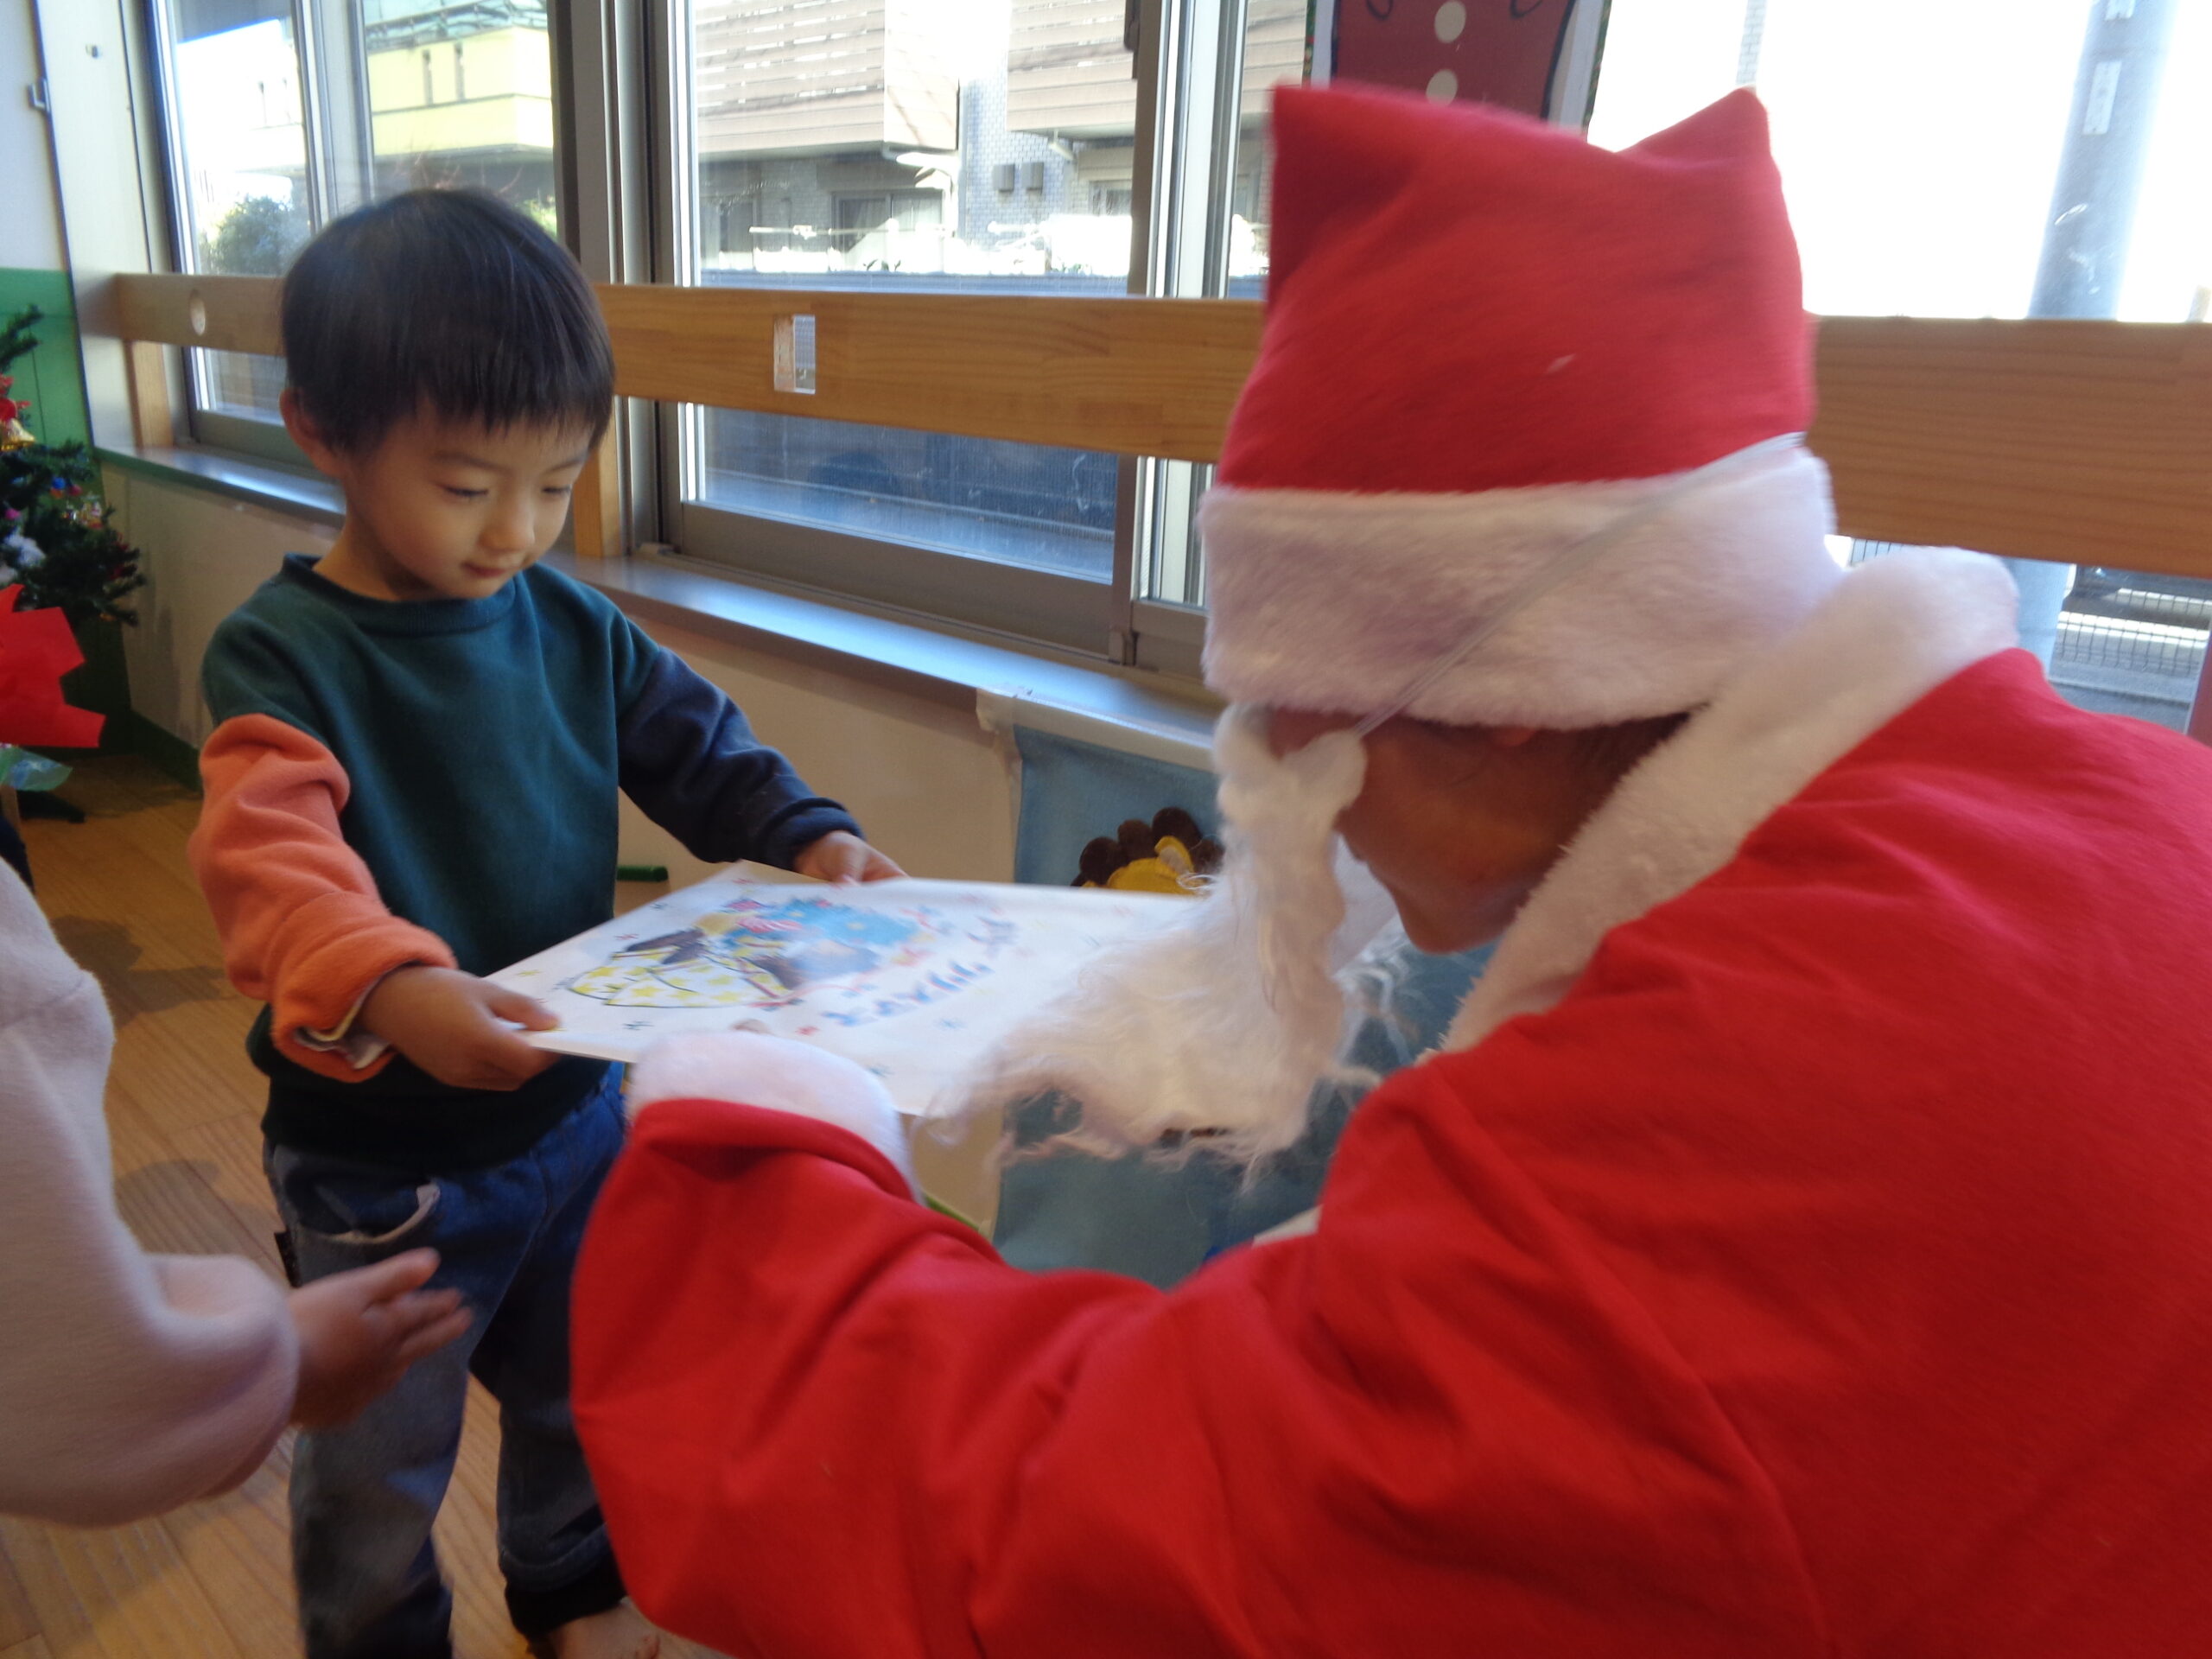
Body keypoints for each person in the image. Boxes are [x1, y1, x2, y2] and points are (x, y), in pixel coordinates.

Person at [565, 86, 2212, 1657]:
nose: (1313, 814)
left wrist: (760, 1141)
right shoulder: (2134, 807)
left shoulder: (1693, 1139)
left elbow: (1090, 1551)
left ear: (1516, 695)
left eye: (1302, 733)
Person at [186, 188, 902, 1659]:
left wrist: (809, 834)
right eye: (466, 486)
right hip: (384, 1163)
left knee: (588, 1386)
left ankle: (570, 1591)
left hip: (573, 1116)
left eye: (557, 484)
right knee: (379, 1463)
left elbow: (696, 743)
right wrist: (393, 989)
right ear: (321, 431)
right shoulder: (283, 656)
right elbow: (273, 861)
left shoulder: (567, 622)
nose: (515, 530)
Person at [0, 862, 471, 1523]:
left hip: (556, 1112)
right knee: (384, 1451)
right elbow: (69, 1384)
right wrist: (285, 1364)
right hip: (375, 1147)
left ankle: (559, 1567)